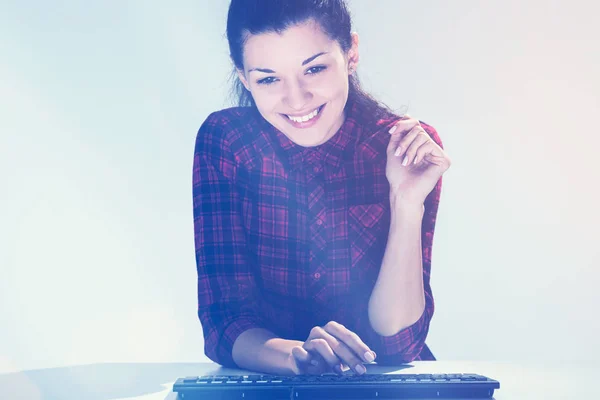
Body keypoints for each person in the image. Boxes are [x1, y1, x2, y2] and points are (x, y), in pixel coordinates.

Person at [192, 0, 452, 376]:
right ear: (244, 77)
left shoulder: (404, 146)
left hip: (381, 385)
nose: (296, 100)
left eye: (314, 69)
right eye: (268, 78)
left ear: (351, 54)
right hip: (270, 381)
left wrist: (406, 202)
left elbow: (398, 343)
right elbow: (225, 324)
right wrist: (297, 356)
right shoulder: (228, 143)